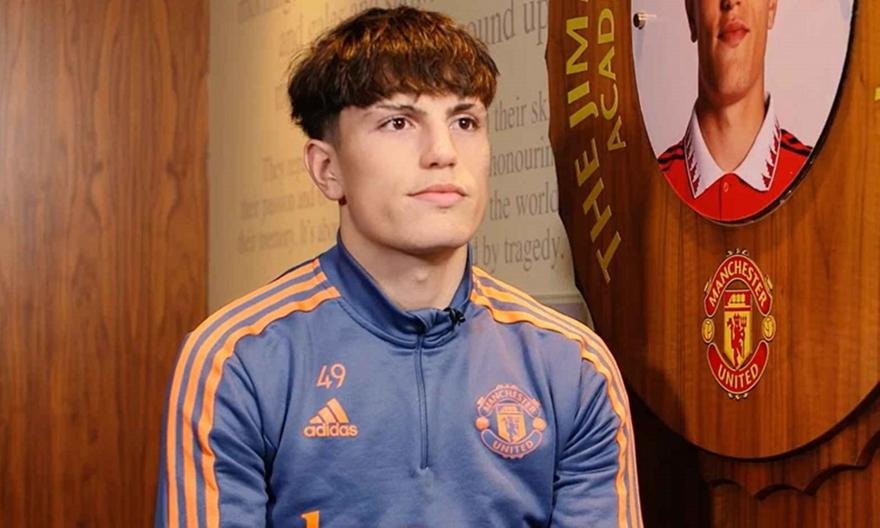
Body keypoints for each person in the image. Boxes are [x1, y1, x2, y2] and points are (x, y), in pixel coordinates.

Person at [155, 7, 641, 527]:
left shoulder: (573, 365)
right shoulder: (237, 360)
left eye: (465, 121)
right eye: (398, 122)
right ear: (327, 168)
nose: (443, 153)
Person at [658, 0, 812, 222]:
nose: (731, 2)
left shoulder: (821, 182)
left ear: (771, 7)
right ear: (691, 14)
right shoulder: (644, 192)